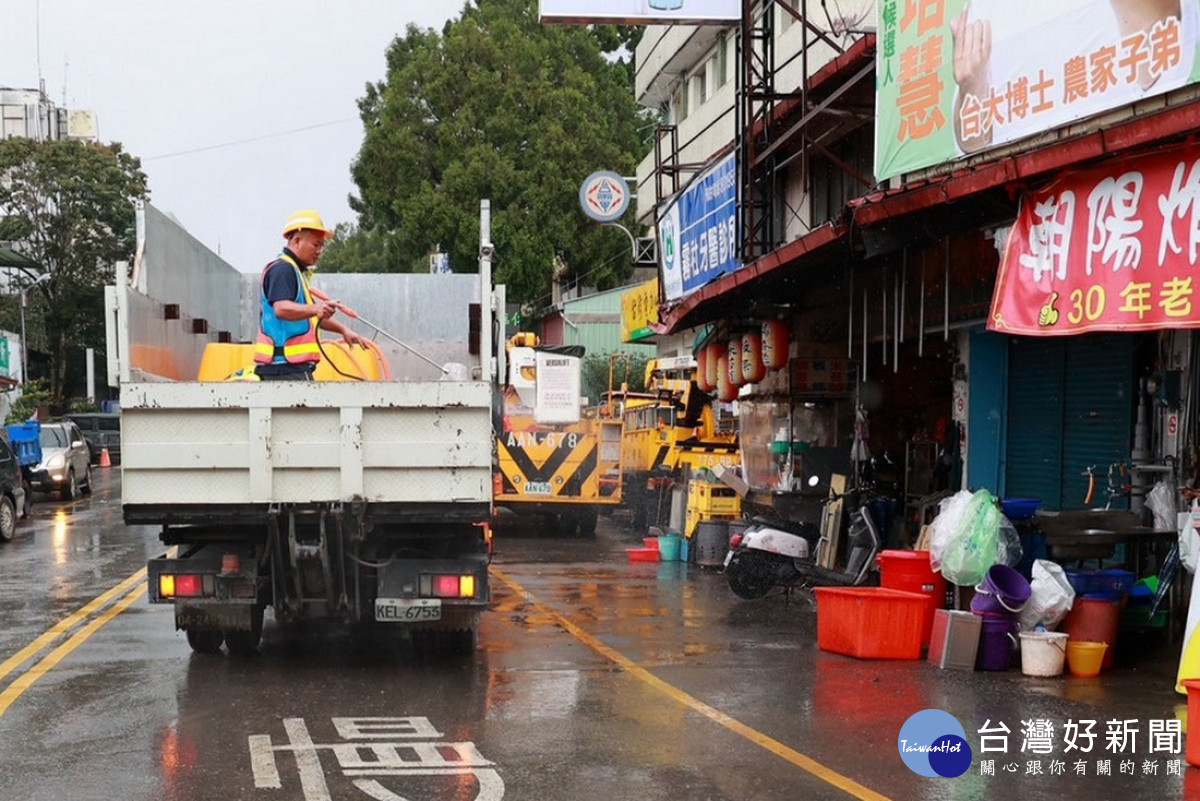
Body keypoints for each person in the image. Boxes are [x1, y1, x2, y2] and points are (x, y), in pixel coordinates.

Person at [950, 0, 1197, 154]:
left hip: (1144, 152)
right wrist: (972, 87)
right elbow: (973, 146)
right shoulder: (986, 8)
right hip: (1037, 176)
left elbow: (1164, 74)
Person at [254, 209, 365, 381]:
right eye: (316, 244)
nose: (320, 251)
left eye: (322, 245)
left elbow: (312, 316)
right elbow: (282, 309)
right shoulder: (283, 270)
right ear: (298, 241)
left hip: (290, 368)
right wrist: (316, 309)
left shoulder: (296, 272)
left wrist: (343, 329)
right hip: (284, 370)